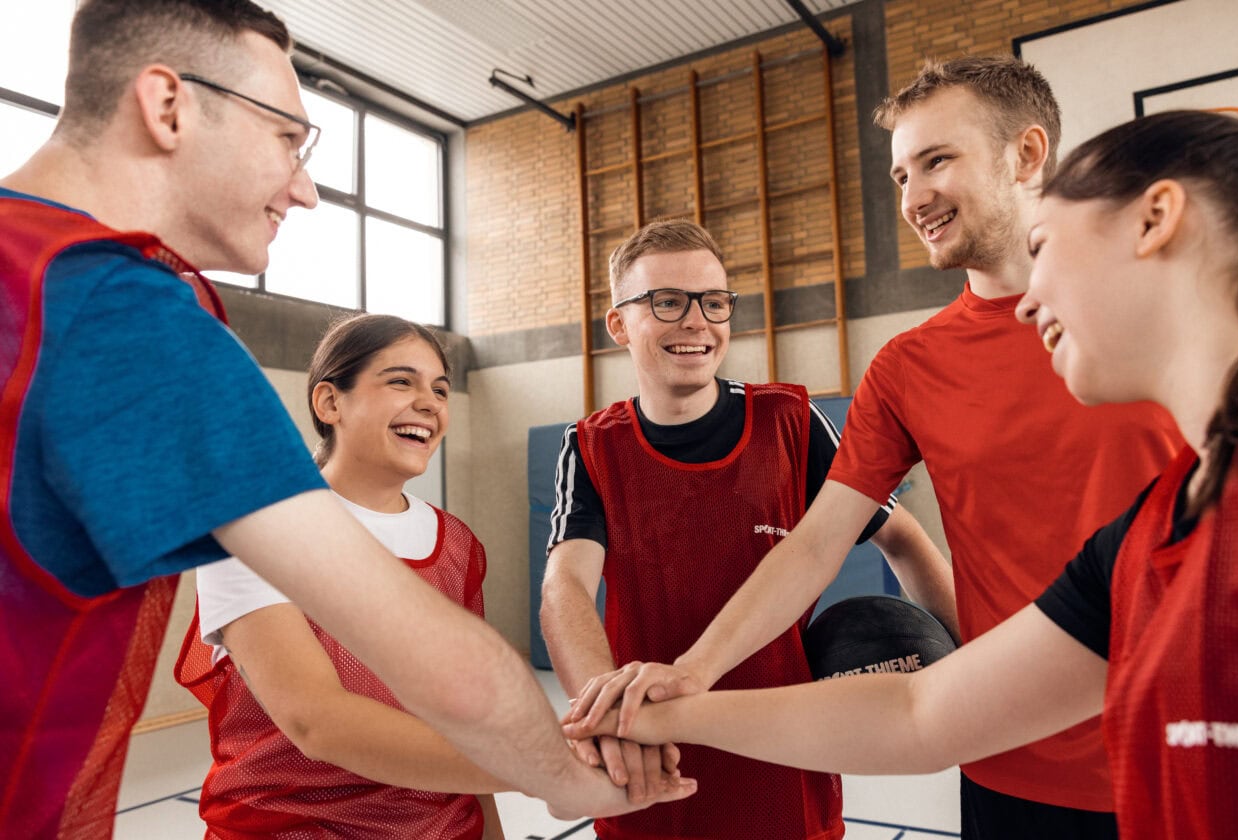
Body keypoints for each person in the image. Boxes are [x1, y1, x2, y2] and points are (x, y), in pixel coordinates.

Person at [0, 2, 689, 836]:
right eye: (288, 137)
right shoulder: (129, 314)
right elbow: (432, 671)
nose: (307, 187)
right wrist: (576, 775)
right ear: (168, 105)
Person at [564, 107, 1238, 840]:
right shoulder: (1141, 546)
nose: (1028, 297)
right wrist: (656, 706)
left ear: (1156, 220)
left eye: (1045, 243)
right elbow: (918, 715)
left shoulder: (787, 422)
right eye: (900, 174)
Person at [541, 218, 957, 840]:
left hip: (785, 769)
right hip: (655, 762)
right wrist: (605, 712)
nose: (696, 321)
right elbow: (565, 586)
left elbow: (902, 536)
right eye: (667, 302)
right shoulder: (591, 446)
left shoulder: (790, 420)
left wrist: (971, 660)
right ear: (620, 324)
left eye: (713, 302)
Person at [174, 314, 506, 838]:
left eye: (440, 389)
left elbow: (468, 715)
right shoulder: (258, 525)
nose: (430, 403)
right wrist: (545, 766)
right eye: (401, 380)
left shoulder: (457, 543)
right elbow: (317, 721)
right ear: (330, 403)